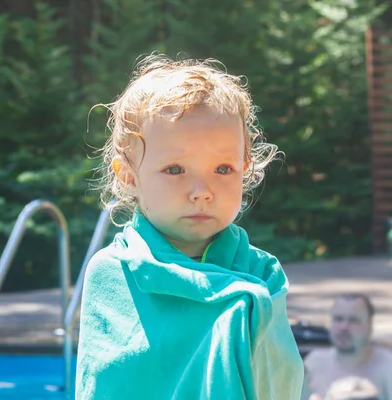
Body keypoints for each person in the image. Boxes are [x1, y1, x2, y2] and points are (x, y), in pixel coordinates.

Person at [75, 53, 304, 399]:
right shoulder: (112, 273)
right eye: (176, 170)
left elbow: (281, 384)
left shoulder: (261, 273)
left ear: (245, 168)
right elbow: (103, 383)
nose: (202, 192)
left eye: (223, 169)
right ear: (129, 176)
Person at [302, 294, 392, 400]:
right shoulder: (314, 362)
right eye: (338, 319)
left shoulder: (391, 367)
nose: (344, 327)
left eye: (354, 320)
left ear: (370, 325)